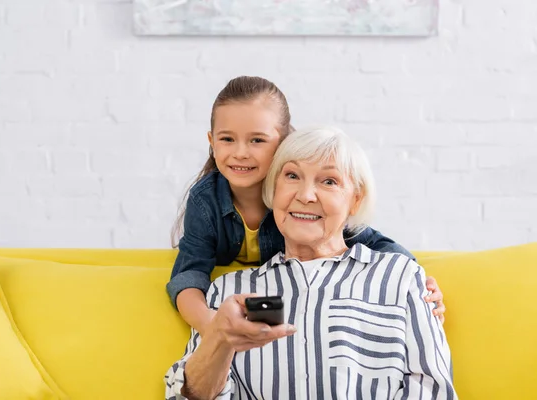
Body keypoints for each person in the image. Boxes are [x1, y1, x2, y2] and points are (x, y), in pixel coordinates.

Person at [165, 126, 456, 399]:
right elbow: (187, 396)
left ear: (355, 200)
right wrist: (220, 338)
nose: (305, 195)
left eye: (329, 181)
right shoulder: (229, 291)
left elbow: (434, 390)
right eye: (292, 176)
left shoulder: (400, 278)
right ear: (273, 190)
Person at [168, 76, 446, 338]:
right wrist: (210, 325)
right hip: (251, 290)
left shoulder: (299, 202)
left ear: (284, 143)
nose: (241, 152)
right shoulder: (205, 201)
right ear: (211, 141)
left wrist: (419, 281)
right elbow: (189, 274)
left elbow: (372, 241)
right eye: (227, 139)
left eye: (257, 140)